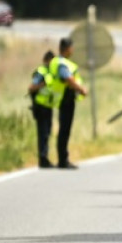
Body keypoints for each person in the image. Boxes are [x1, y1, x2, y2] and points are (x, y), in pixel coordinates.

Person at [49, 38, 87, 169]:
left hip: (65, 99)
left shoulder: (61, 62)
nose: (73, 50)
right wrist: (81, 89)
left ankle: (63, 159)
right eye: (72, 47)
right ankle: (63, 160)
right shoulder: (62, 63)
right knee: (64, 130)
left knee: (64, 130)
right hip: (65, 99)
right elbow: (68, 78)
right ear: (67, 48)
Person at [28, 51, 56, 168]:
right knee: (43, 133)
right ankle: (43, 158)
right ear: (46, 60)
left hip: (48, 106)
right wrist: (43, 84)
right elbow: (32, 88)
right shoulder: (41, 72)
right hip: (40, 106)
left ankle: (45, 157)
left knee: (47, 132)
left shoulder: (51, 73)